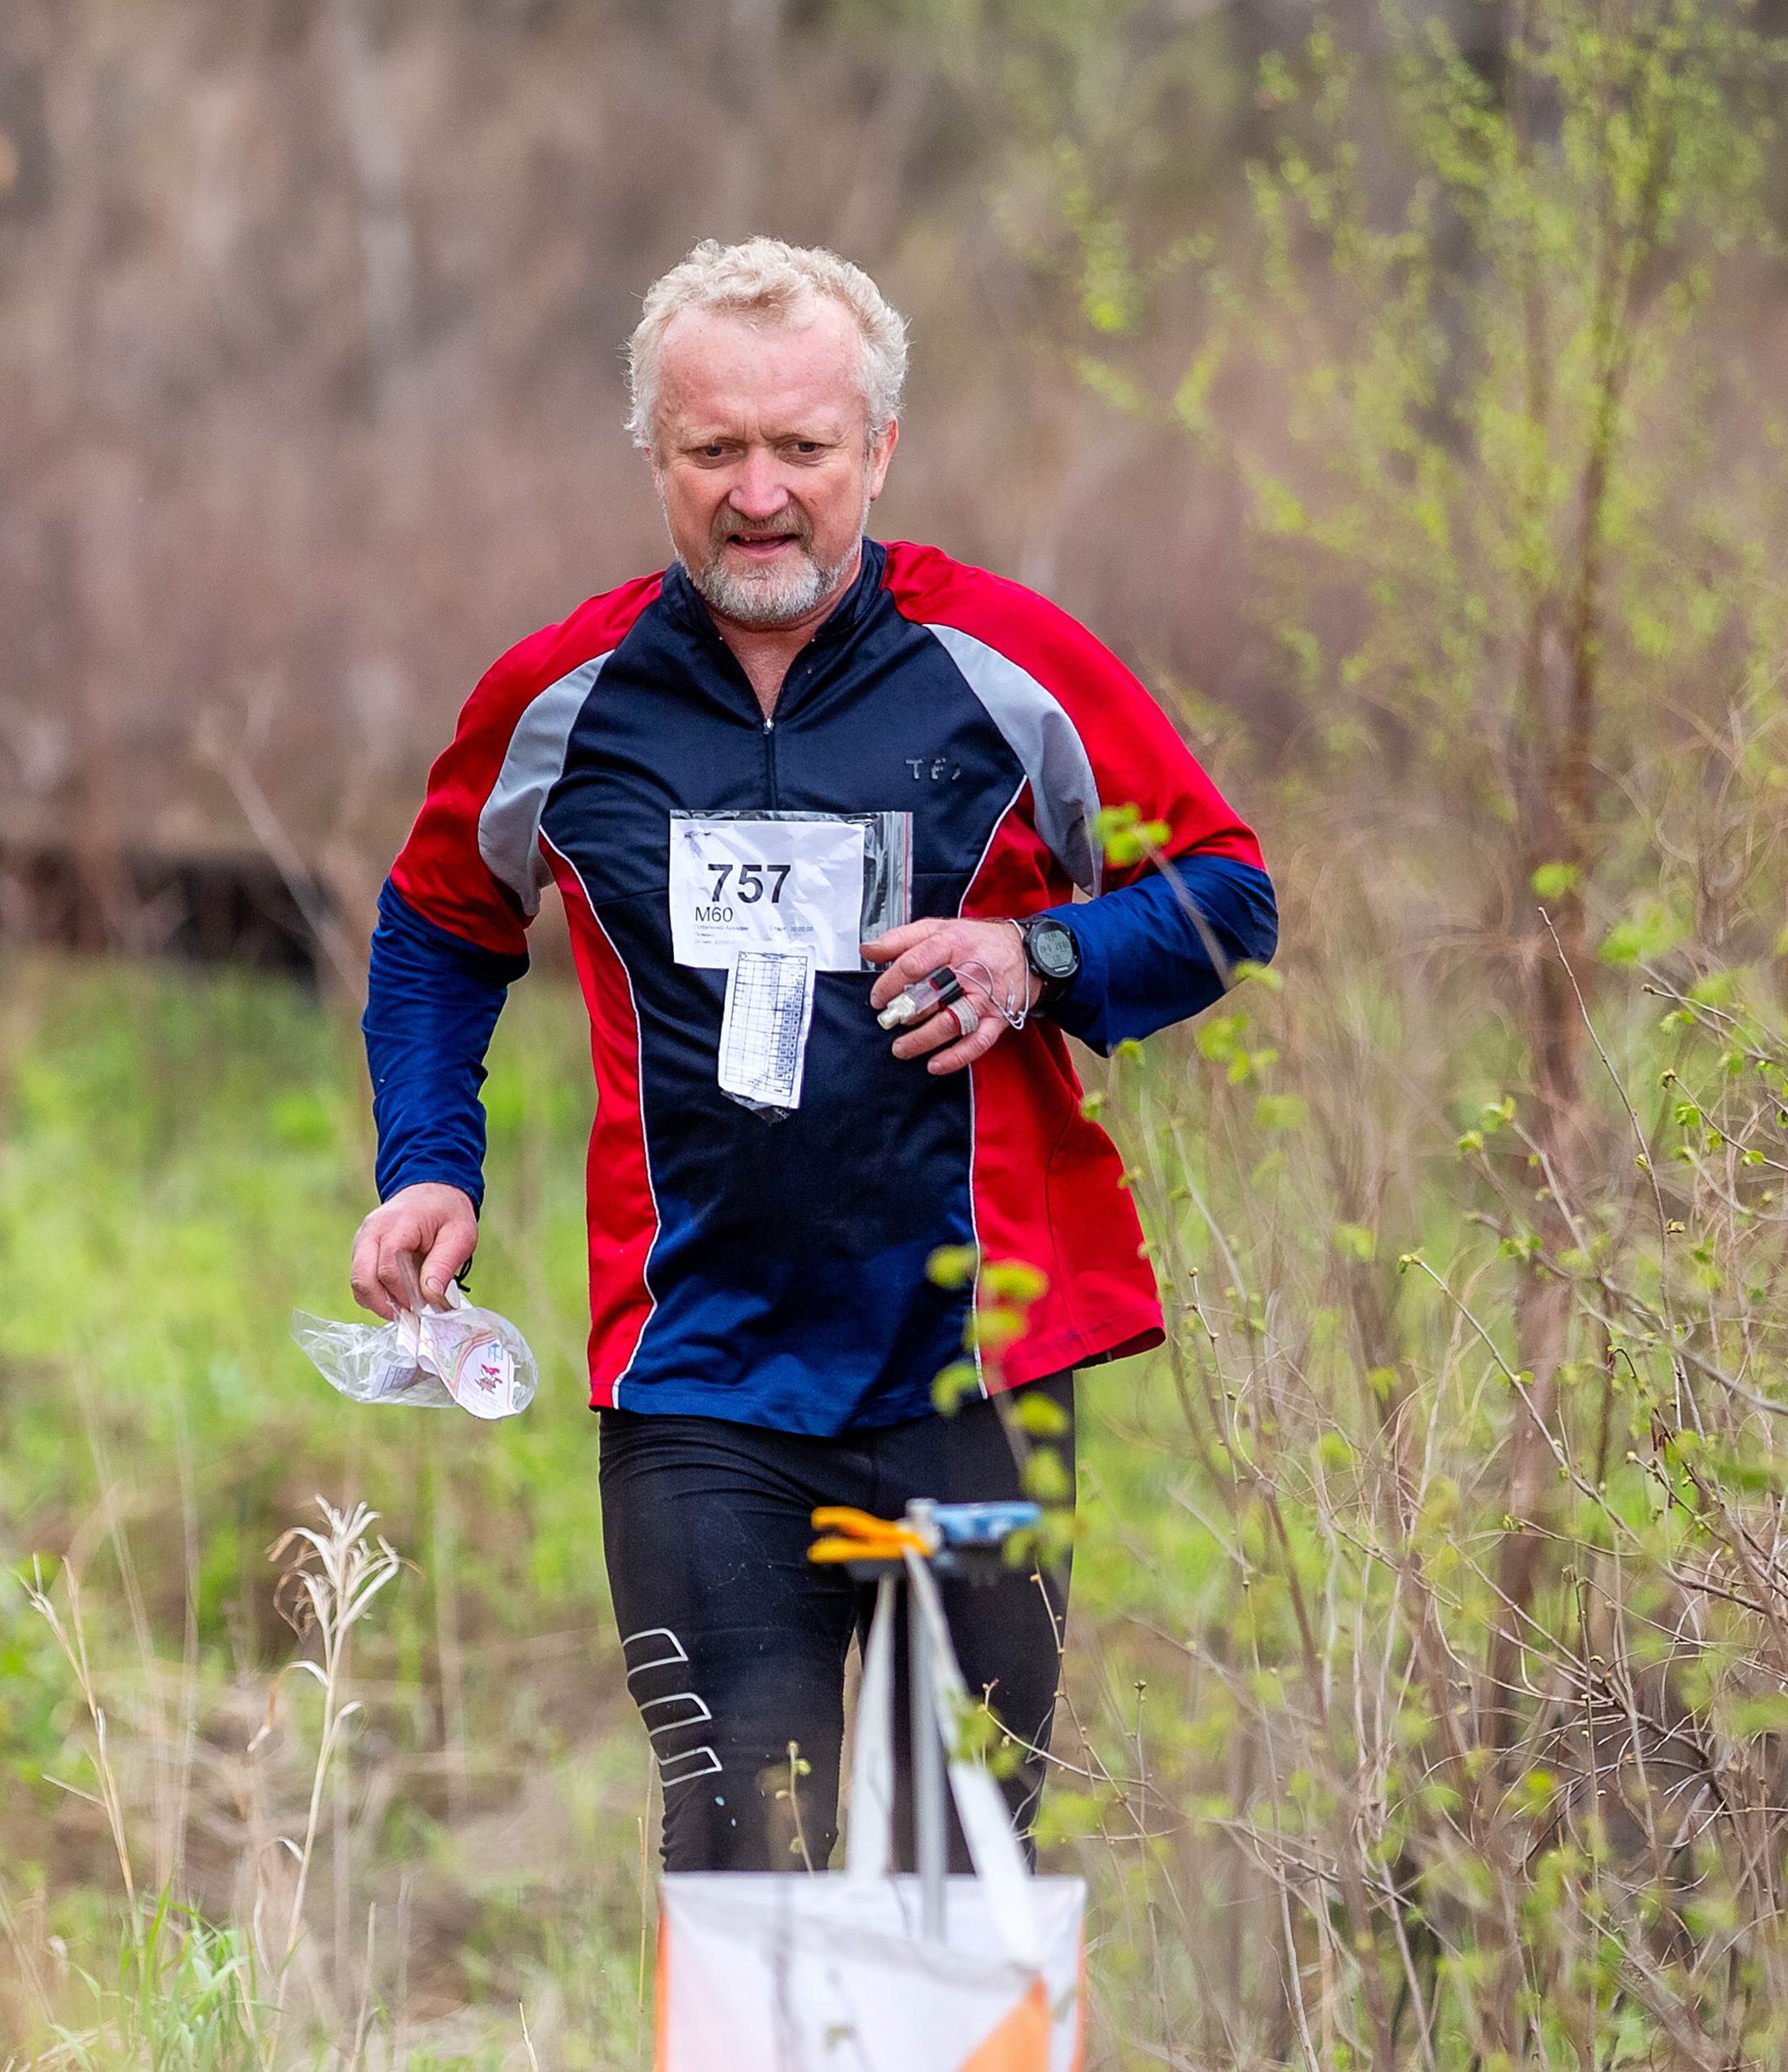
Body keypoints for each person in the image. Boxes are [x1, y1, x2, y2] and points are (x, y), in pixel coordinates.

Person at [349, 238, 1275, 1875]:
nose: (758, 495)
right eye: (713, 451)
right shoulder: (562, 700)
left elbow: (1223, 892)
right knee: (738, 1853)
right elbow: (437, 921)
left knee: (956, 1862)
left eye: (802, 450)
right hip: (698, 1374)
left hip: (971, 1376)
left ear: (878, 454)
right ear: (654, 458)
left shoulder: (1007, 672)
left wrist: (1036, 955)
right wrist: (430, 1160)